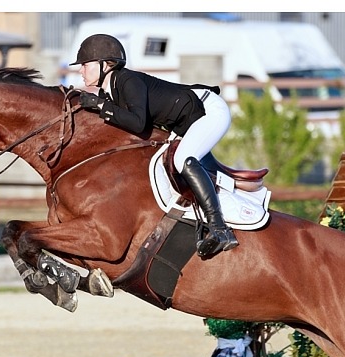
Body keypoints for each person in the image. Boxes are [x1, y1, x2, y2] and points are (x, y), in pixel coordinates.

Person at [70, 33, 239, 258]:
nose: (81, 70)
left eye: (85, 65)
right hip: (186, 123)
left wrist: (100, 105)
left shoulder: (126, 80)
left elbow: (138, 122)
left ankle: (220, 229)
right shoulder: (111, 90)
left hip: (208, 111)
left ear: (105, 65)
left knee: (182, 160)